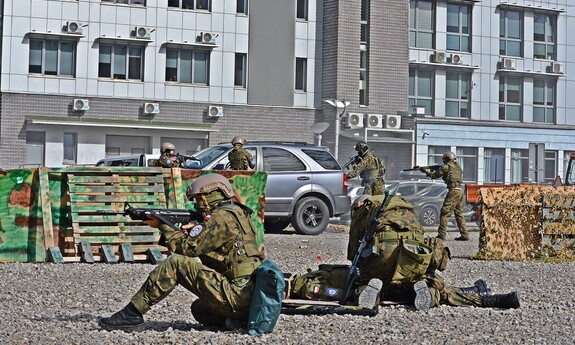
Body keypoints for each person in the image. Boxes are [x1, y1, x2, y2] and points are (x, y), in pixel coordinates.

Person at [287, 194, 520, 312]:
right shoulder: (407, 210)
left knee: (362, 280)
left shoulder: (364, 211)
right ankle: (433, 293)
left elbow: (352, 253)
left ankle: (367, 293)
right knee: (435, 286)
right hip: (413, 261)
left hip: (380, 260)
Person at [98, 173, 266, 331]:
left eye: (198, 199)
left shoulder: (221, 217)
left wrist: (163, 225)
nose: (196, 205)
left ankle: (132, 314)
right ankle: (239, 319)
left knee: (176, 263)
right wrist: (197, 229)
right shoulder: (237, 212)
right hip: (249, 294)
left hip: (237, 295)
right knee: (199, 310)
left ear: (211, 195)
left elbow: (185, 250)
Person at [420, 151, 469, 241]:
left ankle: (441, 234)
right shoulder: (458, 167)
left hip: (453, 191)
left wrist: (426, 171)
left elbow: (434, 176)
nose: (443, 161)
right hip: (460, 190)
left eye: (444, 160)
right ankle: (464, 234)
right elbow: (449, 175)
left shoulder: (446, 167)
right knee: (459, 213)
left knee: (444, 213)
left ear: (447, 159)